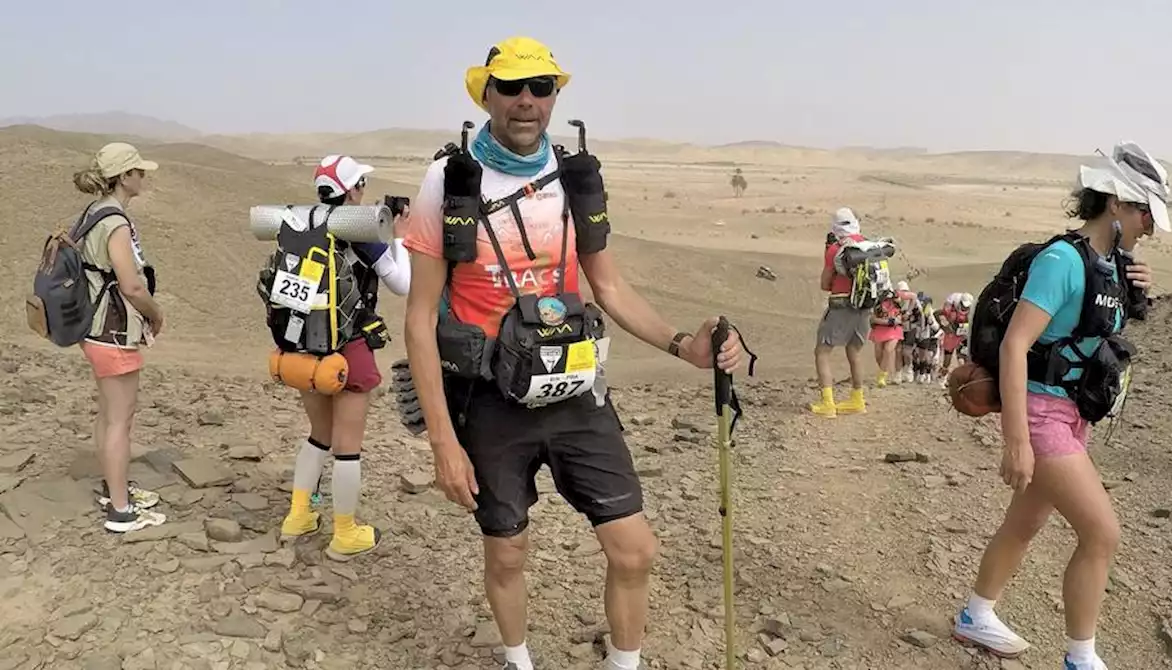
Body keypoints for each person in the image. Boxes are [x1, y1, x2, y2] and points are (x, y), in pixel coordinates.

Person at [400, 36, 748, 670]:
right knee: (507, 552)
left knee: (634, 549)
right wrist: (443, 443)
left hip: (573, 384)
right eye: (511, 87)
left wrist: (684, 347)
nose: (526, 101)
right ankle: (517, 660)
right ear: (487, 93)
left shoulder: (575, 177)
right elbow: (419, 319)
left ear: (557, 96)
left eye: (541, 87)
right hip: (489, 396)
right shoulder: (449, 182)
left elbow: (608, 285)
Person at [951, 141, 1168, 670]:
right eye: (1145, 212)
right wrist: (1017, 440)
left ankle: (976, 615)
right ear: (1116, 203)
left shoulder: (1110, 265)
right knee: (1101, 533)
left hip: (1073, 415)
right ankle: (1082, 658)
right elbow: (1014, 345)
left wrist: (1137, 290)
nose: (1151, 226)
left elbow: (1094, 331)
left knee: (1024, 523)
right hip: (1043, 416)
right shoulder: (1061, 261)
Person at [278, 154, 412, 561]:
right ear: (352, 190)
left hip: (301, 347)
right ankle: (345, 533)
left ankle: (298, 516)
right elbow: (402, 283)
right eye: (361, 186)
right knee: (348, 447)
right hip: (347, 348)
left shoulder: (301, 225)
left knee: (319, 435)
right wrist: (401, 237)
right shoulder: (359, 229)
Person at [71, 143, 167, 533]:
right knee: (120, 420)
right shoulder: (115, 222)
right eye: (139, 172)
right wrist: (156, 314)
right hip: (112, 331)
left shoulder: (95, 212)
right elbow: (131, 285)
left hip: (92, 328)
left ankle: (114, 488)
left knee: (108, 415)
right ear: (124, 177)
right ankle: (121, 511)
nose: (144, 178)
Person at [810, 207, 871, 417]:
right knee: (854, 351)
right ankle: (858, 399)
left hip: (841, 303)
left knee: (822, 351)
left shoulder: (835, 249)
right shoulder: (868, 245)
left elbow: (825, 284)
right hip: (864, 305)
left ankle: (828, 404)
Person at [868, 285, 905, 388]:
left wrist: (895, 321)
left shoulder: (898, 304)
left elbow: (899, 318)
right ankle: (884, 370)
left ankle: (882, 376)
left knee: (888, 350)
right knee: (878, 354)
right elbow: (873, 319)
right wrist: (887, 321)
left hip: (894, 330)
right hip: (880, 329)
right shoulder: (877, 305)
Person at [938, 291, 973, 377]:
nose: (964, 308)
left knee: (963, 358)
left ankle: (963, 377)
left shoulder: (972, 310)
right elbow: (940, 315)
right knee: (947, 360)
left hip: (963, 335)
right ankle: (942, 377)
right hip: (951, 334)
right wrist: (946, 327)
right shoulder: (951, 305)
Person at [910, 293, 942, 383]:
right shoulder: (913, 309)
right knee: (913, 354)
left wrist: (930, 322)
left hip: (925, 335)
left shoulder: (930, 312)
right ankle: (914, 372)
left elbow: (936, 327)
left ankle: (922, 373)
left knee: (923, 355)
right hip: (914, 333)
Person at [894, 280, 917, 383]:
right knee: (898, 351)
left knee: (906, 352)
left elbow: (913, 296)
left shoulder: (915, 304)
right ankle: (898, 373)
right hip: (898, 328)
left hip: (910, 329)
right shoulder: (895, 302)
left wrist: (908, 312)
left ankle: (909, 369)